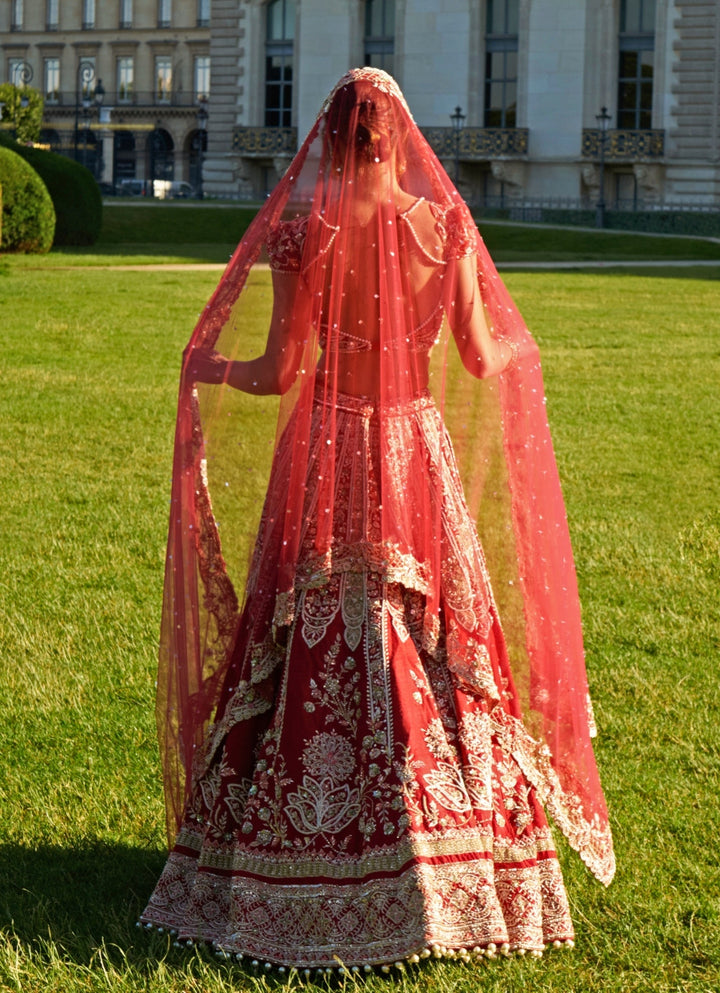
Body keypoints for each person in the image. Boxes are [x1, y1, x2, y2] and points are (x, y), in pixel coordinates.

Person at [139, 67, 614, 972]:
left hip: (327, 450)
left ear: (330, 136)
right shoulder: (444, 227)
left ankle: (290, 849)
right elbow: (481, 356)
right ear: (398, 136)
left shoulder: (301, 228)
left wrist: (210, 365)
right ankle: (458, 854)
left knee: (309, 635)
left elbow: (283, 370)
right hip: (415, 454)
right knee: (434, 643)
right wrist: (524, 342)